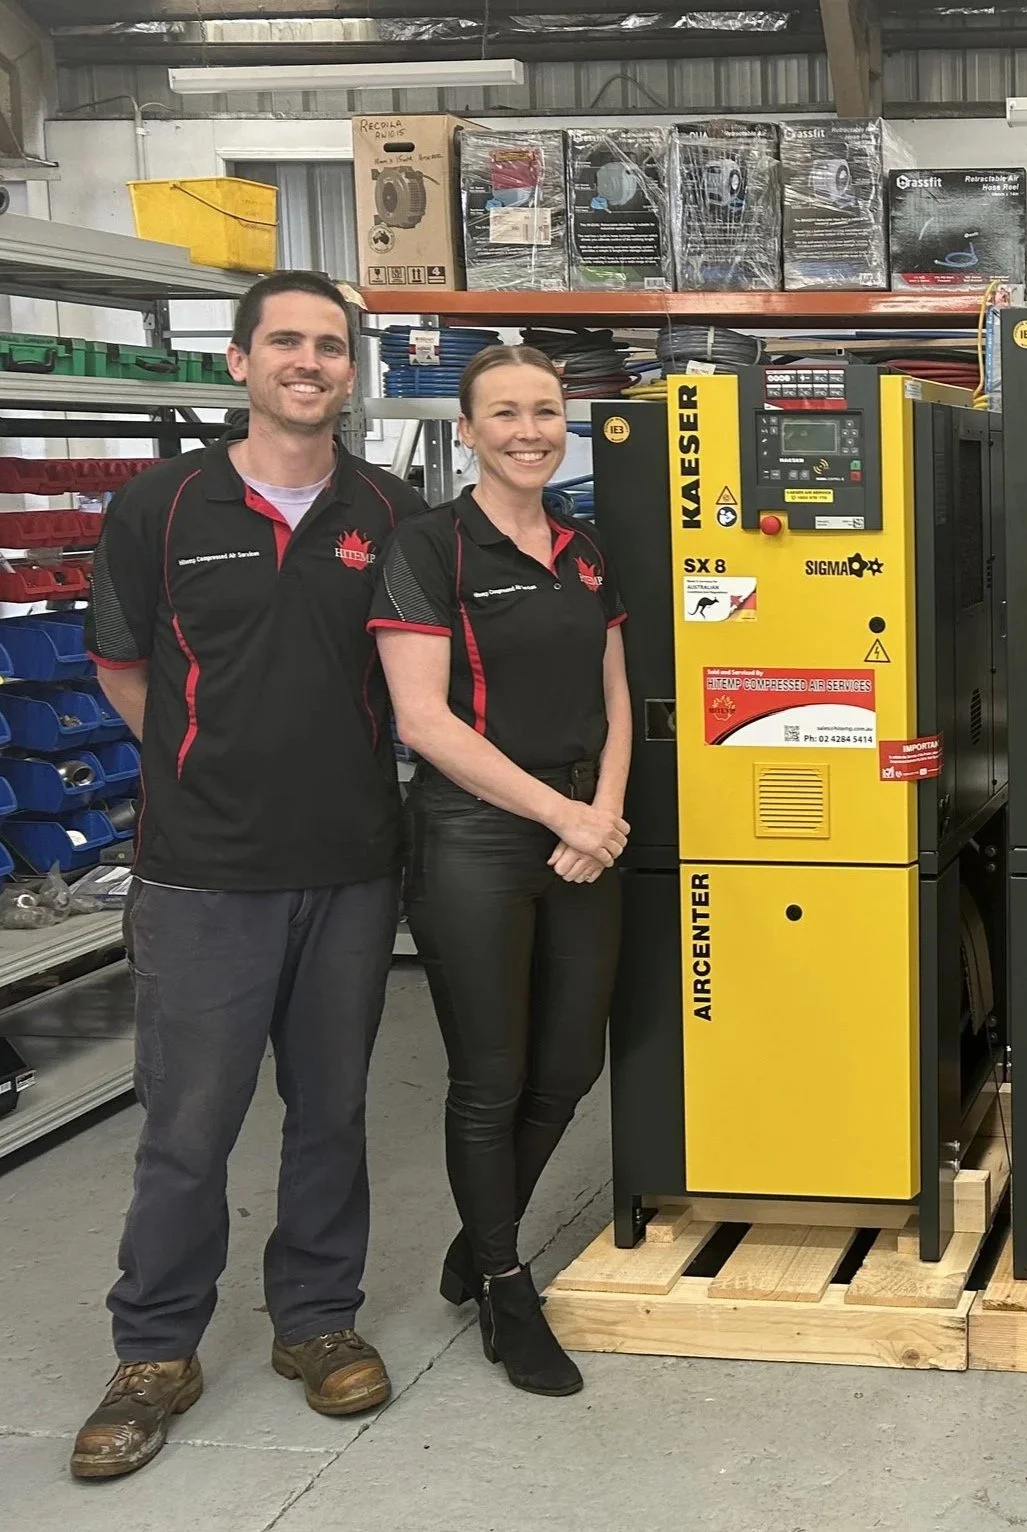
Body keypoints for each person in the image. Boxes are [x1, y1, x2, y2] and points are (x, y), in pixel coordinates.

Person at [74, 271, 430, 1479]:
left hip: (348, 865)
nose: (310, 361)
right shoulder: (160, 505)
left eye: (331, 346)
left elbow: (416, 682)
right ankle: (155, 1350)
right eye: (286, 340)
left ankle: (316, 1320)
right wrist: (203, 767)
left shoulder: (390, 509)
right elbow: (125, 669)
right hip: (203, 875)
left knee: (330, 1110)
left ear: (350, 370)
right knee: (188, 1126)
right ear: (238, 361)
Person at [370, 345, 630, 1396]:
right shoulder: (428, 546)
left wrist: (603, 813)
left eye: (546, 410)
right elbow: (422, 718)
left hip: (583, 830)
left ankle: (477, 1243)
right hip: (473, 836)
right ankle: (506, 1283)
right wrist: (564, 810)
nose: (530, 429)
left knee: (568, 1066)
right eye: (505, 413)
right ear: (466, 430)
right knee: (491, 1077)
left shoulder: (585, 546)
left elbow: (616, 695)